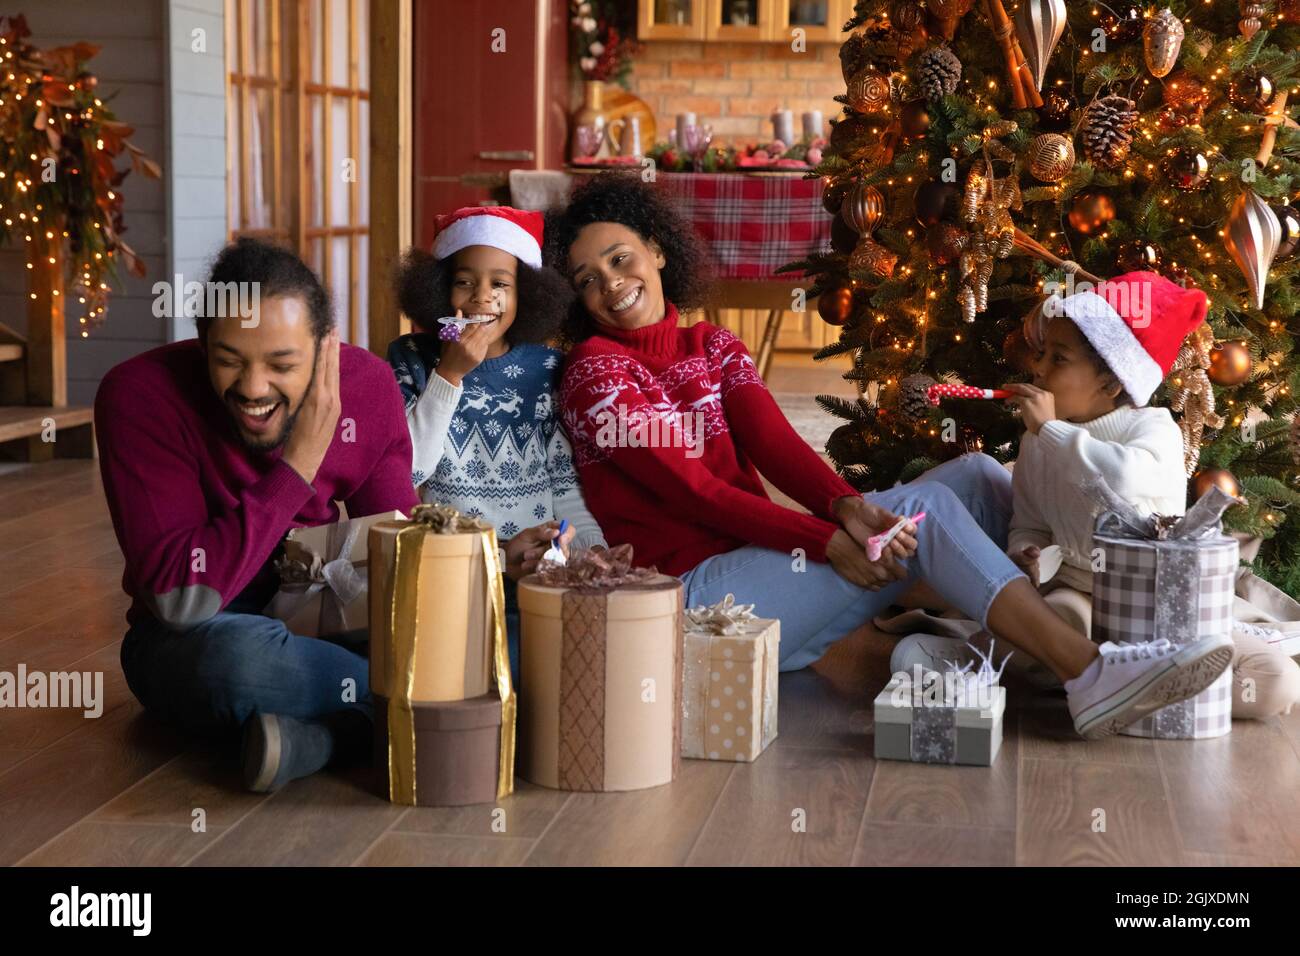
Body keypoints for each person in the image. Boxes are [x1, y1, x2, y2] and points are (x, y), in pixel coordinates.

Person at [543, 173, 1233, 739]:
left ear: (658, 251)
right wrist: (824, 539)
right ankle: (1089, 670)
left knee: (978, 476)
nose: (609, 283)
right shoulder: (595, 375)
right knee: (928, 510)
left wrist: (848, 507)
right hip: (693, 603)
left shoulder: (714, 348)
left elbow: (781, 452)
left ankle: (1064, 634)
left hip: (761, 584)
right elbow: (697, 494)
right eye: (586, 279)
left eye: (619, 257)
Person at [897, 272, 1300, 716]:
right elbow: (1029, 520)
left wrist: (1052, 432)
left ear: (1111, 383)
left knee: (1275, 681)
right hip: (1073, 591)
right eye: (1042, 354)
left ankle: (1126, 682)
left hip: (1153, 601)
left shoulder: (1153, 429)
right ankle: (1104, 679)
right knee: (1058, 622)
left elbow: (1121, 483)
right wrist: (1027, 555)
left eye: (1058, 359)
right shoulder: (1039, 440)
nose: (1038, 368)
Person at [95, 238, 418, 792]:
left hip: (321, 617)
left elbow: (399, 549)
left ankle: (327, 736)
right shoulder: (138, 395)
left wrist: (493, 564)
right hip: (196, 634)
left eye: (282, 364)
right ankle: (416, 702)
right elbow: (181, 598)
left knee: (497, 617)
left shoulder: (367, 385)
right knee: (236, 665)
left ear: (325, 350)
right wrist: (297, 467)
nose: (252, 388)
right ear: (202, 345)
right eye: (229, 361)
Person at [386, 206, 607, 678]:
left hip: (539, 573)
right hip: (451, 573)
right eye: (464, 281)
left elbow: (564, 487)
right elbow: (408, 472)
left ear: (524, 294)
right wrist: (450, 373)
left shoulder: (547, 367)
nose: (480, 298)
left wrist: (593, 555)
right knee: (479, 659)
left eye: (500, 285)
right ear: (440, 288)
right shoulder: (411, 356)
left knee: (565, 657)